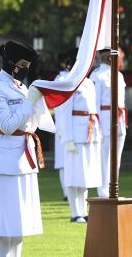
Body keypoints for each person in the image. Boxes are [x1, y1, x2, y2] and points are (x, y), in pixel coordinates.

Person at [0, 41, 45, 257]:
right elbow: (7, 126)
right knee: (4, 223)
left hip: (23, 157)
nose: (25, 68)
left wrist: (37, 105)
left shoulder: (21, 87)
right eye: (22, 64)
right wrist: (29, 104)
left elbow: (30, 124)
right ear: (10, 64)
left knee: (20, 222)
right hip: (4, 160)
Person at [58, 48, 102, 222]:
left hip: (88, 133)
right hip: (74, 134)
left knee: (84, 176)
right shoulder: (68, 82)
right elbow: (63, 112)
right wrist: (67, 137)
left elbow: (94, 109)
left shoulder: (89, 83)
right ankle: (74, 212)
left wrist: (97, 133)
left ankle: (83, 211)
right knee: (73, 175)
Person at [90, 48, 127, 198]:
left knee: (116, 157)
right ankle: (104, 191)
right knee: (104, 157)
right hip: (105, 117)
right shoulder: (97, 75)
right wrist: (96, 126)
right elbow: (95, 102)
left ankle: (114, 187)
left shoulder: (118, 75)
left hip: (119, 117)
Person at [53, 52, 69, 201]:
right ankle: (66, 190)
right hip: (62, 124)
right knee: (63, 160)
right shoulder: (60, 79)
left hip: (73, 124)